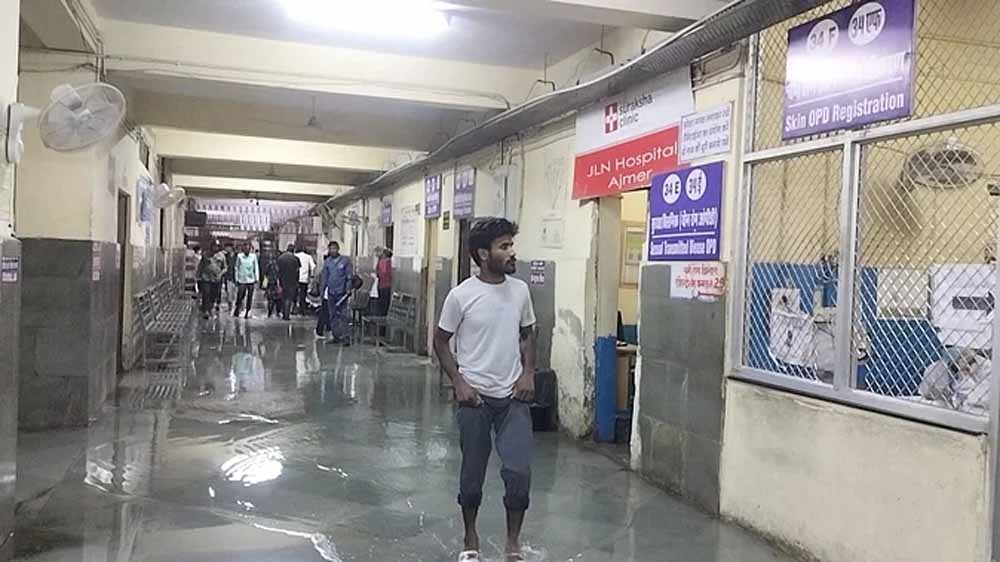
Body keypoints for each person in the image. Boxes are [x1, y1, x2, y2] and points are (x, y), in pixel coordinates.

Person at [432, 218, 536, 562]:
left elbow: (528, 334)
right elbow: (441, 340)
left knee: (519, 472)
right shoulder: (461, 296)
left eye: (511, 245)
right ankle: (470, 536)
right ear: (482, 253)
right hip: (475, 399)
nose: (512, 252)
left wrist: (528, 373)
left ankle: (513, 542)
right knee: (472, 474)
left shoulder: (520, 291)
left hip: (513, 397)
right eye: (504, 246)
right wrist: (458, 381)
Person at [318, 241, 354, 344]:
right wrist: (322, 291)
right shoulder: (328, 262)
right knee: (332, 315)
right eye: (331, 249)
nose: (333, 250)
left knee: (343, 315)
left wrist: (348, 288)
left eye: (334, 248)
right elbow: (324, 278)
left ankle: (346, 337)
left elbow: (349, 276)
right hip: (331, 292)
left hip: (342, 293)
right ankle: (336, 336)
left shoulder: (345, 261)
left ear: (338, 249)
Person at [196, 243, 226, 319]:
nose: (215, 248)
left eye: (217, 246)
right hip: (206, 278)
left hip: (216, 279)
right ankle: (206, 310)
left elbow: (225, 268)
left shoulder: (221, 256)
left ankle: (210, 307)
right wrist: (198, 275)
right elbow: (201, 265)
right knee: (206, 293)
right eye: (214, 246)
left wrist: (220, 274)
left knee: (214, 294)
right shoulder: (206, 255)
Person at [233, 241, 260, 319]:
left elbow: (256, 267)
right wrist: (236, 278)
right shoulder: (239, 256)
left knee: (250, 296)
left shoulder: (253, 256)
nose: (247, 249)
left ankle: (248, 310)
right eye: (245, 248)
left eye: (248, 248)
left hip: (251, 279)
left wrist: (257, 278)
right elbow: (236, 267)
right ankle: (237, 308)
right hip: (242, 279)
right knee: (240, 295)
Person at [277, 244, 301, 321]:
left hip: (282, 280)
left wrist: (278, 282)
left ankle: (284, 313)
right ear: (293, 250)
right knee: (289, 298)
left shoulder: (280, 258)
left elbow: (278, 271)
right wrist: (297, 282)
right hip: (292, 281)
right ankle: (286, 315)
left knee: (284, 298)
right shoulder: (295, 259)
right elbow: (298, 271)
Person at [295, 245, 316, 315]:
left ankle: (295, 308)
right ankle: (302, 309)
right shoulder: (308, 257)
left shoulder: (295, 255)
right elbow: (313, 267)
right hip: (304, 279)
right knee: (303, 294)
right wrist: (312, 276)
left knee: (295, 294)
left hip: (295, 278)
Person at [376, 247, 393, 316]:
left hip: (382, 285)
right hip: (386, 285)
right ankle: (383, 316)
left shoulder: (383, 262)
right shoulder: (388, 262)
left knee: (382, 304)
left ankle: (382, 317)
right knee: (385, 304)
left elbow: (380, 273)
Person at [223, 242, 237, 310]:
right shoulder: (225, 256)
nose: (226, 249)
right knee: (229, 293)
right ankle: (230, 307)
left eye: (227, 247)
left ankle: (237, 306)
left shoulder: (237, 256)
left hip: (236, 277)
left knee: (236, 293)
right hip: (228, 277)